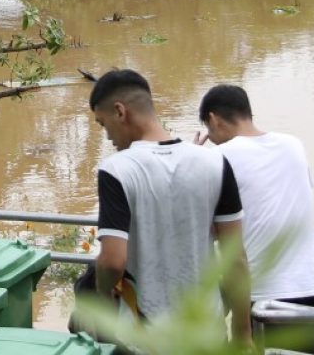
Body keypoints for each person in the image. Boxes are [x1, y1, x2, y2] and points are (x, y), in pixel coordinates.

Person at [88, 69, 252, 343]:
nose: (107, 137)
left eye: (103, 125)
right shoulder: (215, 163)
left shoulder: (116, 170)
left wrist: (102, 296)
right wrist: (242, 331)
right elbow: (235, 258)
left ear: (120, 111)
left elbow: (113, 262)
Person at [198, 84, 314, 354]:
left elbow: (206, 229)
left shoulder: (217, 158)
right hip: (310, 288)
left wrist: (194, 159)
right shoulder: (294, 145)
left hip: (263, 298)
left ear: (213, 119)